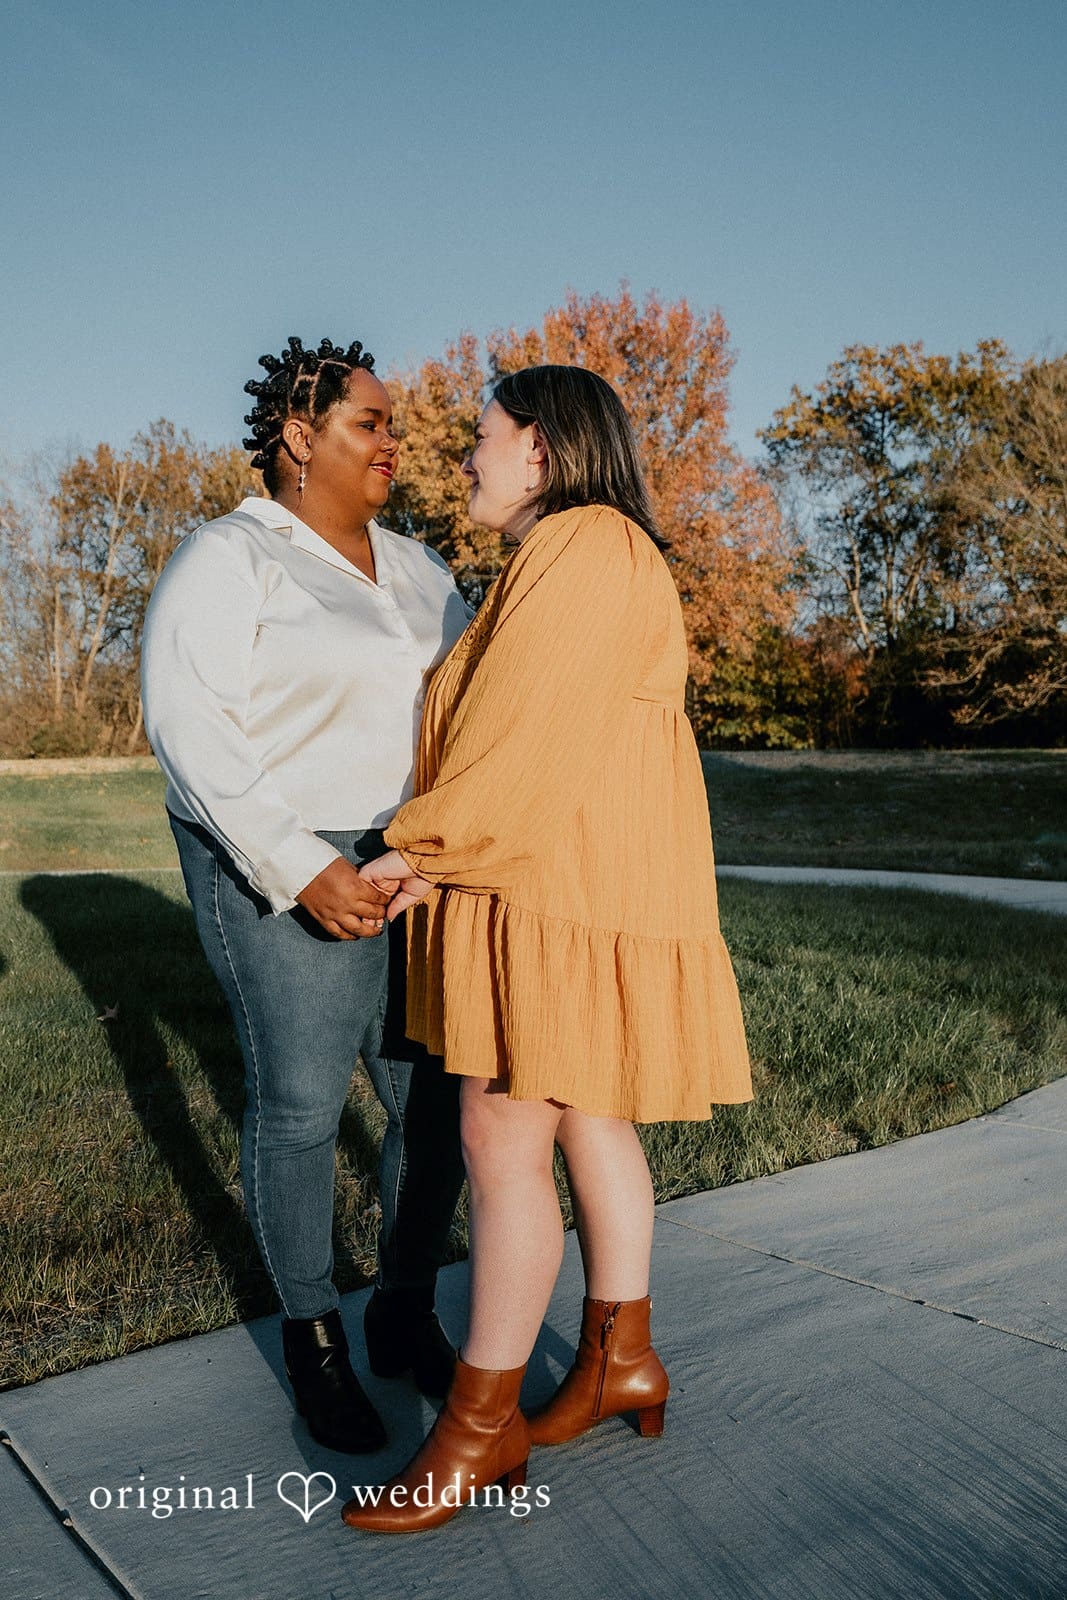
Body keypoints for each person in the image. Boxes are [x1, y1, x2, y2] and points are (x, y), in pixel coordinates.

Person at [341, 364, 752, 1532]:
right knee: (586, 1116)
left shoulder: (579, 548)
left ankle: (475, 1429)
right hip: (579, 875)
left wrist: (415, 849)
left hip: (554, 886)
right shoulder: (589, 552)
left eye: (482, 434)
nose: (464, 456)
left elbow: (522, 734)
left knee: (498, 1129)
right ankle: (623, 1357)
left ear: (544, 446)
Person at [140, 336, 470, 1455]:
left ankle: (403, 1309)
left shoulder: (423, 570)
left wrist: (435, 846)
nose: (394, 440)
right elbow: (191, 733)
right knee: (299, 1105)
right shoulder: (229, 560)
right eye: (369, 423)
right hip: (278, 857)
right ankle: (314, 1343)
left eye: (392, 424)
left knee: (434, 1108)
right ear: (298, 437)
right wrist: (300, 864)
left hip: (412, 862)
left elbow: (470, 713)